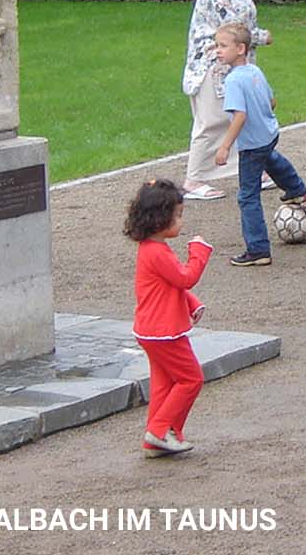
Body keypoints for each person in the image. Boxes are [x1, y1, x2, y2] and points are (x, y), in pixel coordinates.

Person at [181, 0, 271, 201]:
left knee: (241, 116)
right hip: (213, 62)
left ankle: (254, 170)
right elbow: (231, 28)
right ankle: (193, 179)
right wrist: (262, 37)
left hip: (235, 62)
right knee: (212, 120)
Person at [212, 22, 306, 267]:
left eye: (223, 46)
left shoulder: (233, 81)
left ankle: (257, 249)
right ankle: (296, 189)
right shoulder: (255, 71)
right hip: (269, 133)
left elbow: (240, 116)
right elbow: (272, 101)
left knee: (247, 197)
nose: (217, 50)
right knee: (270, 157)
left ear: (240, 49)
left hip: (252, 144)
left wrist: (225, 146)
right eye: (216, 45)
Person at [125, 179, 211, 458]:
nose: (181, 221)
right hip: (164, 333)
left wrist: (191, 304)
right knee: (191, 379)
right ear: (161, 218)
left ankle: (156, 440)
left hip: (152, 331)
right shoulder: (157, 252)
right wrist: (199, 253)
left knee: (163, 385)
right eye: (178, 215)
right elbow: (185, 278)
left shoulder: (151, 249)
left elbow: (169, 286)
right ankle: (161, 430)